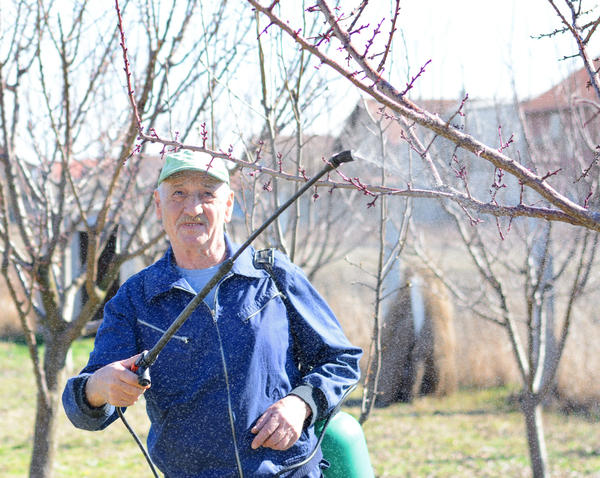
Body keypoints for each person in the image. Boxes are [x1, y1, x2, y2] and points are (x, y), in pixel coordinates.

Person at [62, 150, 362, 478]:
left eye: (207, 194)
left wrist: (301, 403)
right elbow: (82, 407)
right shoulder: (136, 299)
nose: (193, 209)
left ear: (229, 204)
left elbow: (340, 360)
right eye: (178, 193)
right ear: (158, 205)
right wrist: (98, 388)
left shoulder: (273, 275)